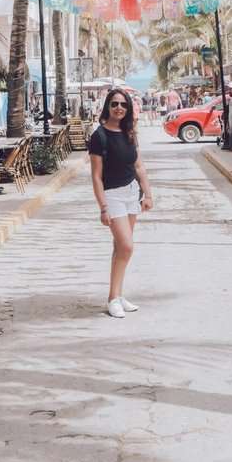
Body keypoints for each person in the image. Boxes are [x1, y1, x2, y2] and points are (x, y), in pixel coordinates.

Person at [89, 89, 153, 319]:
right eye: (115, 104)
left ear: (128, 108)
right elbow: (96, 176)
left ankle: (118, 295)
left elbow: (139, 167)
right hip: (113, 196)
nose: (119, 108)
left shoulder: (129, 133)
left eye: (123, 105)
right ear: (108, 106)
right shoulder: (99, 136)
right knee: (126, 246)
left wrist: (148, 194)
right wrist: (103, 207)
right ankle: (112, 299)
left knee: (120, 248)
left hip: (131, 193)